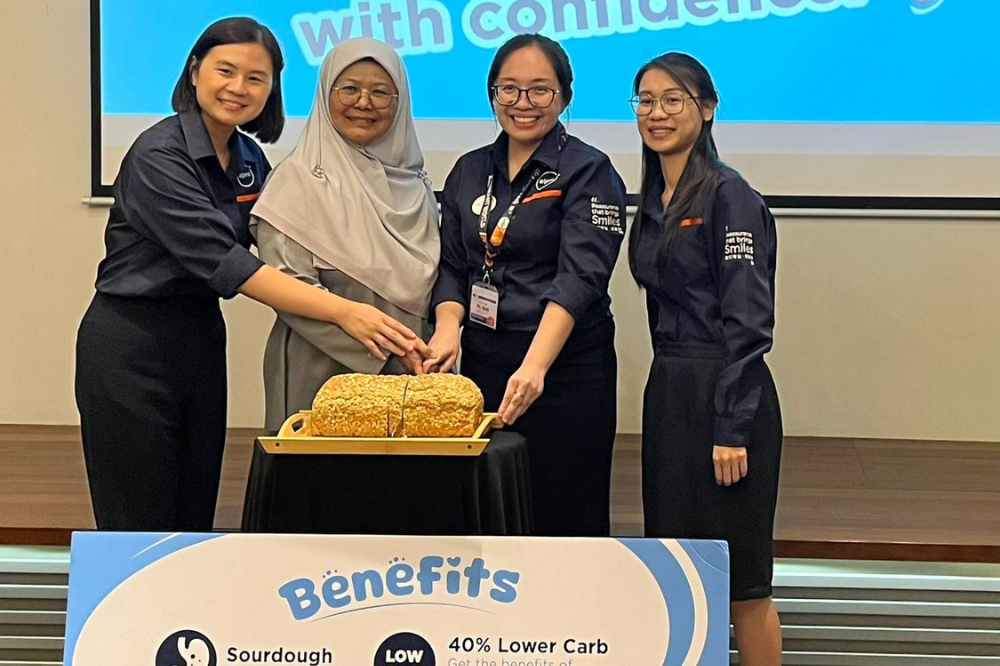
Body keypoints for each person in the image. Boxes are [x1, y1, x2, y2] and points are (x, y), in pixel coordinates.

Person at [75, 18, 421, 532]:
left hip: (200, 340)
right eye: (226, 71)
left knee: (193, 515)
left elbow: (286, 236)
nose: (239, 88)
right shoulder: (157, 154)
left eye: (256, 78)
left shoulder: (248, 157)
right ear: (195, 71)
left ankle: (185, 614)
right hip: (132, 344)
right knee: (138, 520)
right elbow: (230, 264)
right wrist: (347, 311)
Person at [425, 34, 626, 536]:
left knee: (563, 515)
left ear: (565, 97)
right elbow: (453, 266)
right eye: (509, 89)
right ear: (492, 94)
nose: (523, 103)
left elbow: (581, 276)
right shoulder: (471, 169)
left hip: (564, 369)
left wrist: (535, 367)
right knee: (487, 514)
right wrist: (447, 329)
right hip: (486, 363)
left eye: (540, 90)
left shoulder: (589, 170)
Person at [628, 52, 783, 664]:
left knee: (742, 581)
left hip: (726, 398)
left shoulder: (730, 196)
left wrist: (731, 425)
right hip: (669, 393)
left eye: (674, 100)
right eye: (645, 100)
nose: (657, 112)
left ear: (707, 109)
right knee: (678, 570)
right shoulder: (652, 196)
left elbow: (749, 323)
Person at [251, 38, 439, 434]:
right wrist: (386, 353)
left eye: (381, 92)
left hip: (412, 376)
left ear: (400, 101)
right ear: (325, 94)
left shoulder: (415, 185)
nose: (364, 103)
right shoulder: (295, 182)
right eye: (349, 88)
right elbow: (288, 286)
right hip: (320, 372)